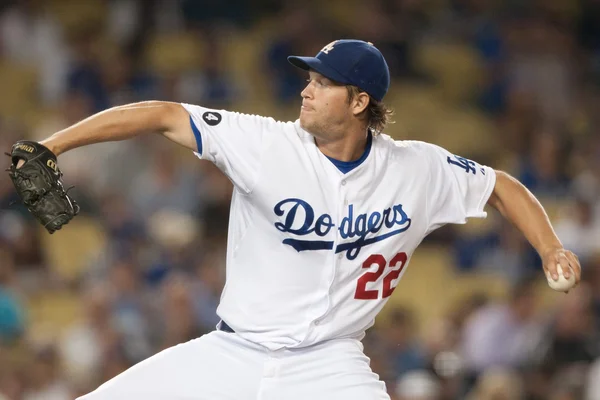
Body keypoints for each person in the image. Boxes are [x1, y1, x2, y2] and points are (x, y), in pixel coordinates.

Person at [9, 39, 582, 399]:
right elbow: (160, 113)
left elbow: (502, 186)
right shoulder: (264, 142)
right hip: (230, 354)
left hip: (329, 365)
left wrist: (549, 246)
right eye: (309, 78)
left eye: (322, 83)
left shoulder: (417, 169)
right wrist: (55, 146)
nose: (306, 90)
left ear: (360, 102)